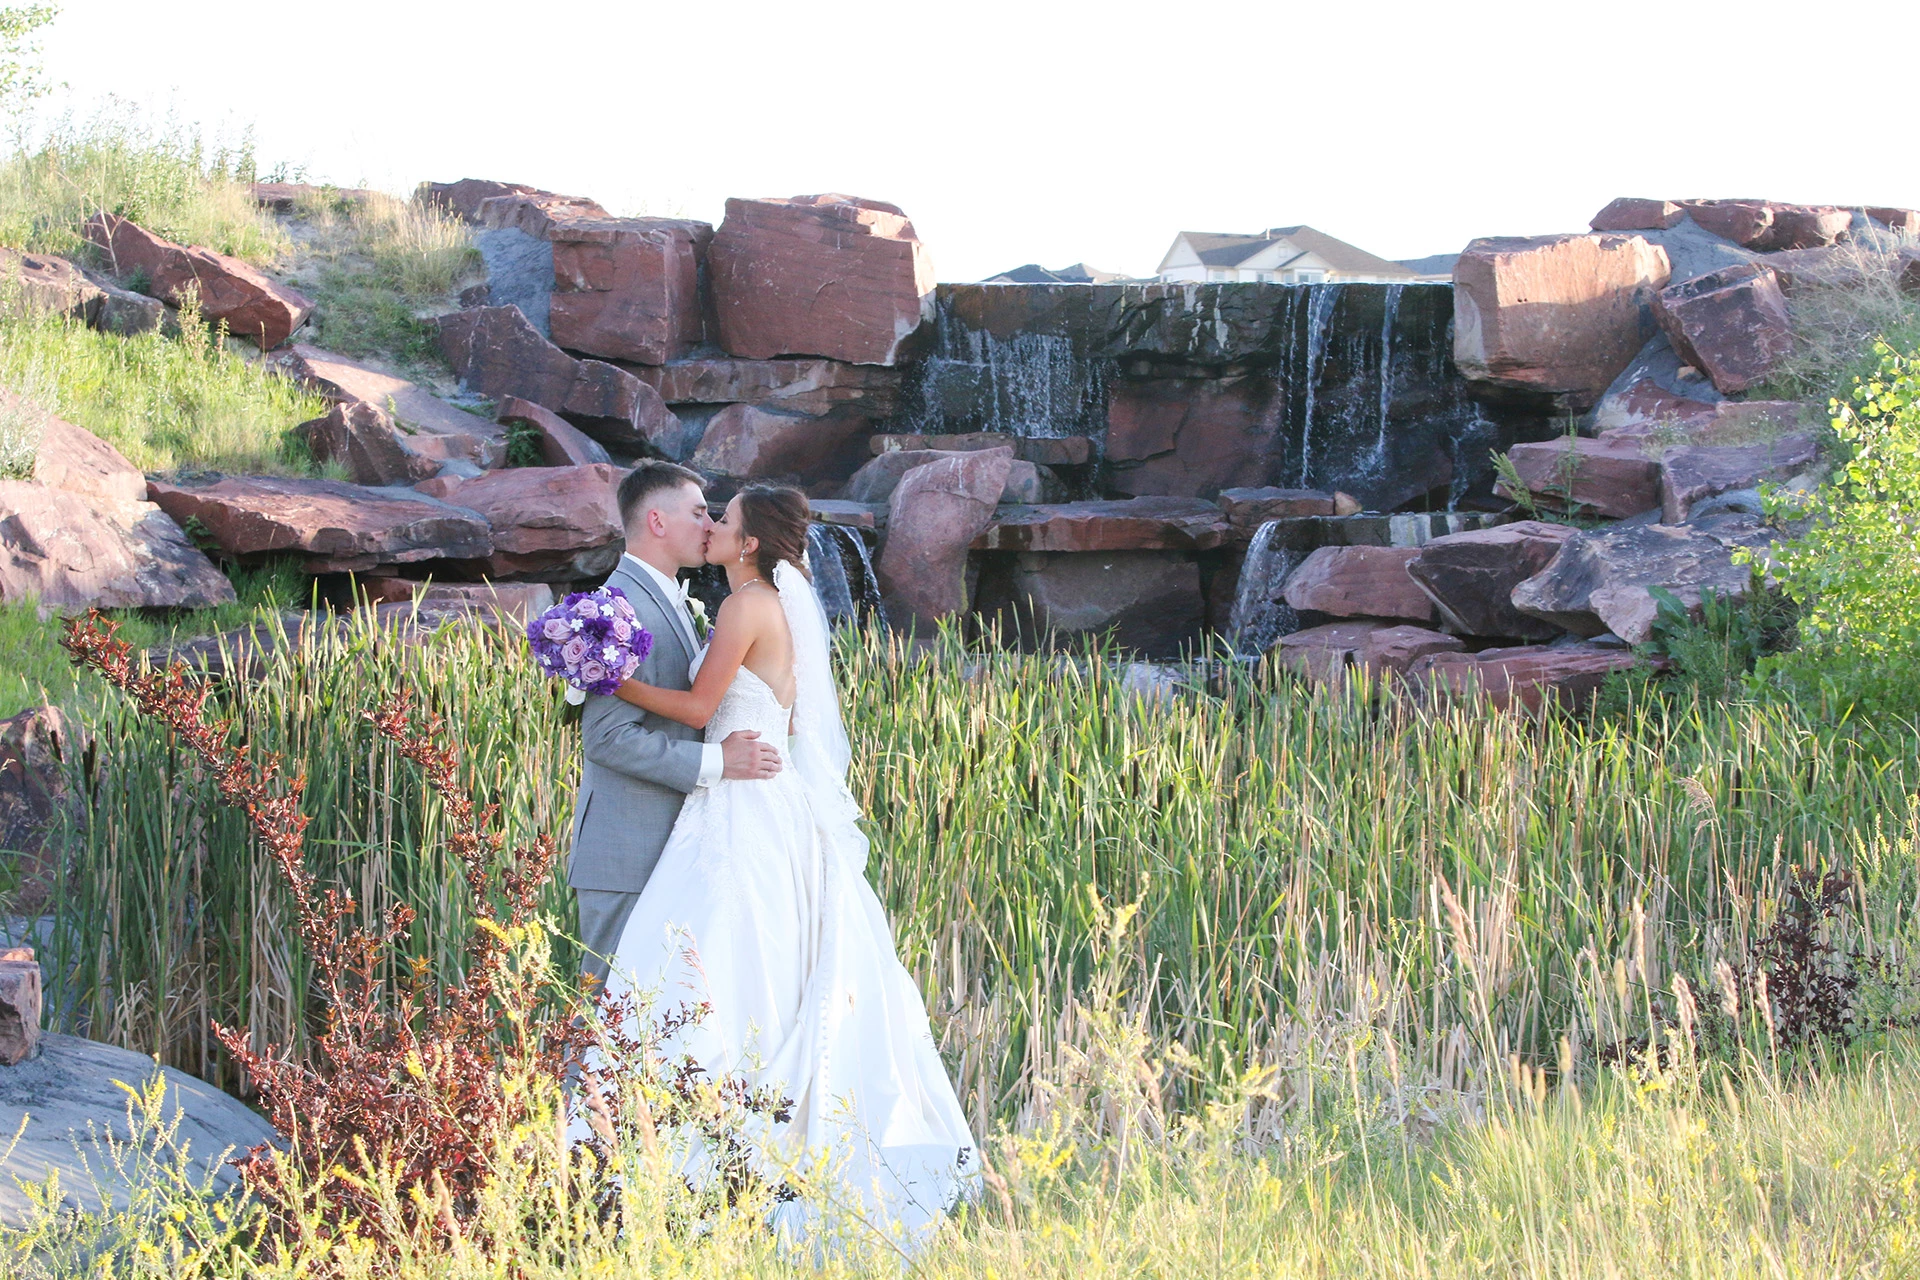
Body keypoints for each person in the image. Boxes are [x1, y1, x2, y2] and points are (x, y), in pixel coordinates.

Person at [595, 483, 979, 1249]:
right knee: (744, 958)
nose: (712, 525)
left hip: (741, 803)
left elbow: (704, 711)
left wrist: (606, 679)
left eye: (723, 519)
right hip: (764, 800)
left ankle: (703, 1143)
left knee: (714, 959)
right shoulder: (771, 603)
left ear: (746, 543)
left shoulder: (744, 606)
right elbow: (788, 715)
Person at [567, 461, 783, 991]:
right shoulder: (616, 608)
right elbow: (607, 738)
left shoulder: (675, 601)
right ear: (658, 522)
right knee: (607, 1025)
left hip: (681, 850)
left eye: (713, 516)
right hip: (628, 854)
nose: (709, 525)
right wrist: (718, 762)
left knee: (655, 1029)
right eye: (697, 512)